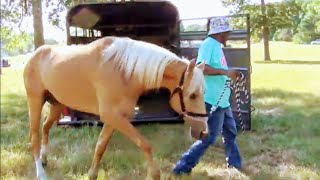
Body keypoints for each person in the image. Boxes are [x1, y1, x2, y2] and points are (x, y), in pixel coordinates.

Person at [172, 16, 243, 175]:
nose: (229, 35)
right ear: (221, 32)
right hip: (213, 101)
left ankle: (235, 165)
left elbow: (217, 67)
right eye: (227, 32)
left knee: (230, 133)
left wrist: (229, 75)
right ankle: (181, 168)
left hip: (223, 100)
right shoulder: (208, 45)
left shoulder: (217, 46)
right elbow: (201, 68)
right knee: (208, 138)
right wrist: (225, 72)